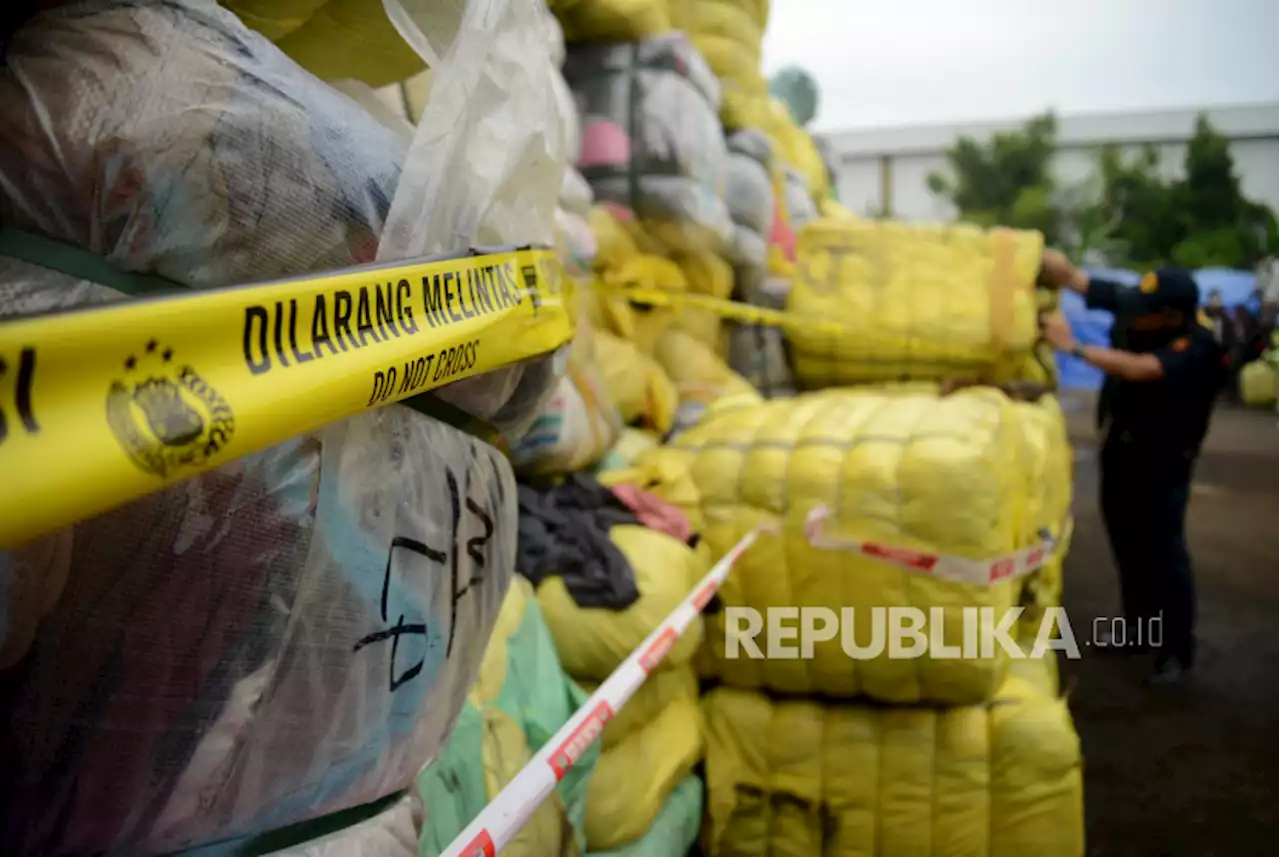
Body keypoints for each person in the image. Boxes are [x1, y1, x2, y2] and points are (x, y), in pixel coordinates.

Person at [1039, 250, 1227, 684]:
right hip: (1121, 449)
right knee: (1126, 546)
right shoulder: (1142, 304)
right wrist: (1040, 257)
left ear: (1169, 317)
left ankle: (1176, 648)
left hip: (1163, 460)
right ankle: (1136, 632)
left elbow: (1143, 368)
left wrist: (1073, 347)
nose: (1132, 316)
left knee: (1163, 551)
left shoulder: (1198, 343)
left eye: (1144, 314)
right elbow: (1080, 280)